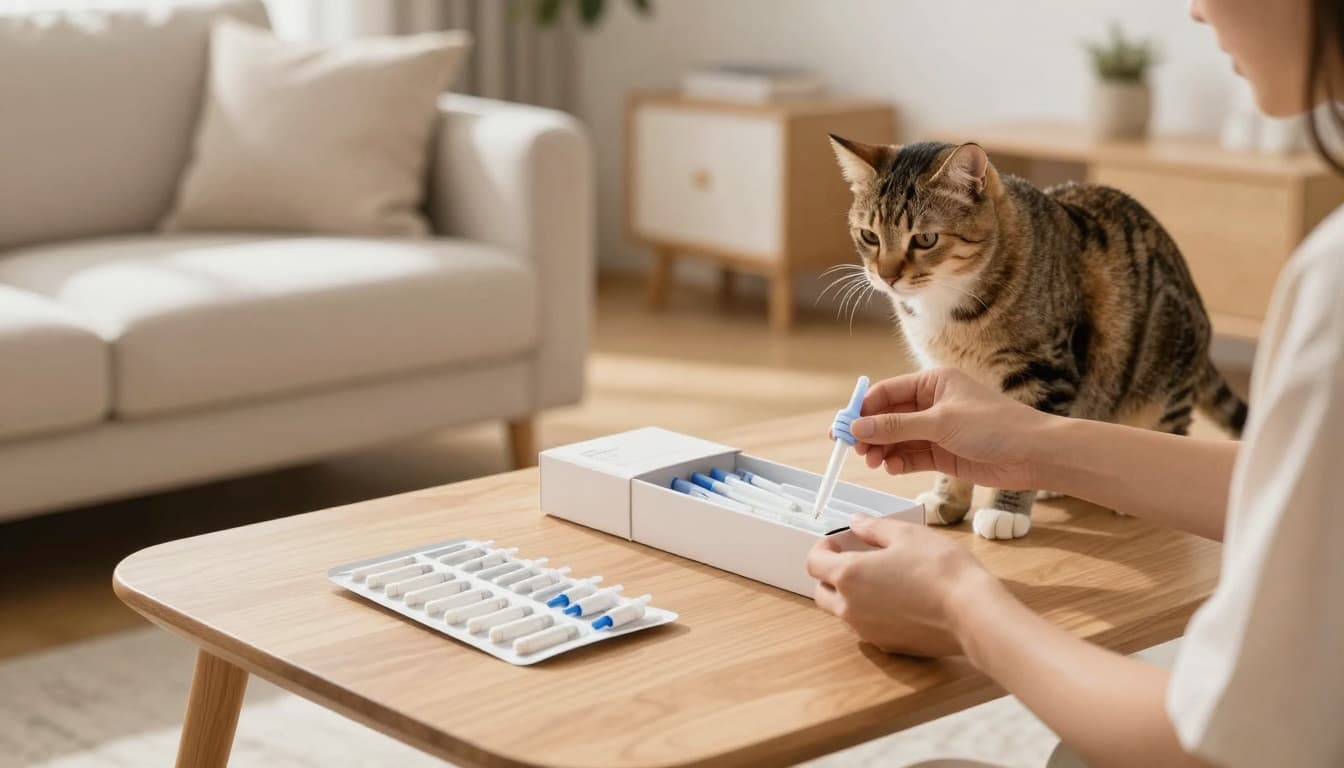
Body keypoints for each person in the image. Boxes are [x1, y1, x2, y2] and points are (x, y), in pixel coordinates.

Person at [806, 1, 1344, 766]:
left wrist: (963, 607)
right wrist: (1036, 445)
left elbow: (1220, 744)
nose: (1193, 8)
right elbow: (1320, 496)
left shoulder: (1334, 278)